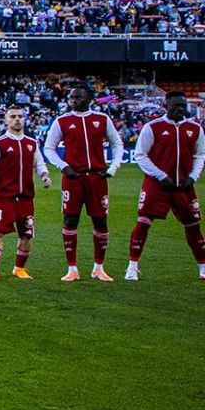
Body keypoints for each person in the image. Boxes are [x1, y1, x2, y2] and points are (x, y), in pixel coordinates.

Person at [43, 82, 125, 282]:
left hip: (97, 178)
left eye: (79, 97)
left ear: (89, 99)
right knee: (70, 219)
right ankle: (72, 268)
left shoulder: (102, 119)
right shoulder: (62, 121)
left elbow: (117, 143)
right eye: (71, 98)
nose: (74, 101)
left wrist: (112, 168)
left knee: (100, 221)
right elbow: (49, 148)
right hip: (73, 178)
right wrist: (64, 167)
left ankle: (99, 268)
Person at [126, 91, 205, 281]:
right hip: (157, 185)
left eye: (182, 105)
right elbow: (140, 155)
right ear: (165, 105)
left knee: (193, 225)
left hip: (184, 186)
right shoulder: (152, 127)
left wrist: (193, 176)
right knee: (143, 222)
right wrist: (160, 175)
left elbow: (200, 154)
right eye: (175, 105)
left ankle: (203, 267)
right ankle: (132, 266)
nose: (180, 109)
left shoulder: (195, 129)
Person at [0, 106, 51, 281]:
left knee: (26, 235)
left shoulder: (32, 143)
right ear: (6, 121)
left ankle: (19, 269)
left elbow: (39, 163)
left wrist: (45, 176)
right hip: (5, 197)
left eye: (20, 116)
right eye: (13, 117)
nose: (17, 119)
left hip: (26, 197)